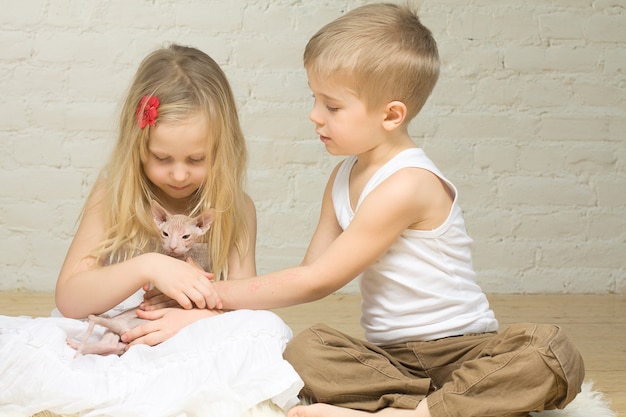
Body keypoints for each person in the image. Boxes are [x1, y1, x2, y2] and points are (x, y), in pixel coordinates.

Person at [137, 4, 586, 417]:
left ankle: (421, 411)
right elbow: (309, 271)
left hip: (464, 350)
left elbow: (319, 280)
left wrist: (209, 296)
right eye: (315, 99)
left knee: (549, 349)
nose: (315, 115)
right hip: (390, 359)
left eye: (331, 105)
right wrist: (212, 307)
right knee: (304, 350)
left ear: (390, 116)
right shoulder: (342, 180)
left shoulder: (408, 184)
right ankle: (439, 405)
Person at [0, 44, 302, 416]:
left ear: (223, 149)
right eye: (162, 158)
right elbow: (71, 299)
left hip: (187, 339)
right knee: (42, 357)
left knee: (266, 327)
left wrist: (191, 318)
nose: (178, 174)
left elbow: (242, 305)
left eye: (196, 159)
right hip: (116, 337)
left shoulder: (236, 210)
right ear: (138, 145)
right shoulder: (114, 194)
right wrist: (148, 266)